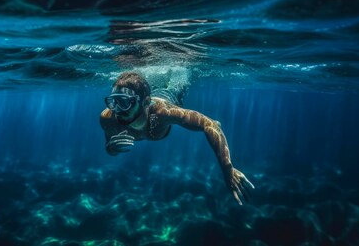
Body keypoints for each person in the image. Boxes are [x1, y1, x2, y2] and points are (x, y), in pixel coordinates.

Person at [100, 71, 254, 205]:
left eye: (124, 102)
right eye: (113, 102)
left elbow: (211, 126)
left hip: (170, 95)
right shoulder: (108, 118)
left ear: (146, 102)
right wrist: (110, 149)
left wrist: (227, 169)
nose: (117, 110)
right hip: (150, 100)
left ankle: (177, 75)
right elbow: (110, 149)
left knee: (178, 86)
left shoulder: (163, 114)